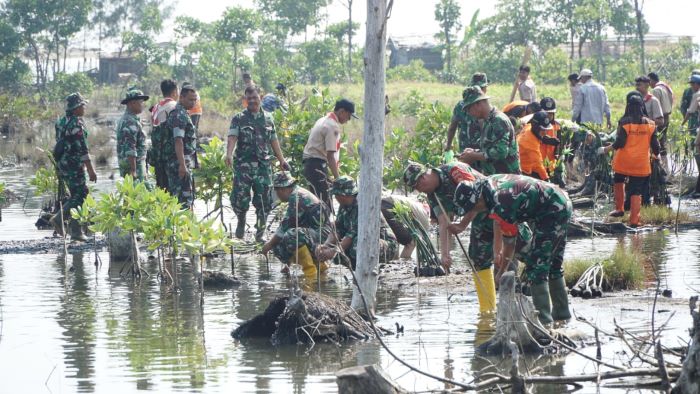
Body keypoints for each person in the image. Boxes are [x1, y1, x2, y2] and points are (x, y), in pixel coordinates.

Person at [451, 174, 573, 324]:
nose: (475, 211)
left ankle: (544, 323)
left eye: (473, 207)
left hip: (554, 209)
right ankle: (563, 317)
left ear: (479, 199)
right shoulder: (488, 185)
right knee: (553, 264)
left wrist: (501, 272)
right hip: (558, 200)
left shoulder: (502, 202)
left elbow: (510, 243)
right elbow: (498, 225)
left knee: (537, 267)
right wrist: (497, 253)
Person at [226, 86, 290, 241]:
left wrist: (282, 160)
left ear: (260, 97)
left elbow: (273, 140)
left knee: (264, 201)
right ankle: (241, 220)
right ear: (245, 100)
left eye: (255, 97)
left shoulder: (268, 118)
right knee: (239, 199)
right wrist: (228, 154)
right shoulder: (239, 118)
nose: (252, 100)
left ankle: (260, 233)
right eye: (249, 98)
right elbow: (232, 137)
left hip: (263, 167)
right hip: (243, 166)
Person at [403, 161, 483, 274]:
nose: (420, 191)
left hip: (493, 205)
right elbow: (444, 221)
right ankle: (493, 289)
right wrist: (445, 255)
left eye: (417, 186)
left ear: (423, 177)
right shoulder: (432, 194)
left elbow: (479, 198)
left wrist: (462, 225)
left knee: (504, 249)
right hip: (475, 212)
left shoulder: (454, 172)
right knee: (479, 255)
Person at [600, 92, 660, 227]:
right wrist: (657, 155)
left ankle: (620, 209)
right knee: (636, 190)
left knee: (618, 179)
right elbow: (655, 146)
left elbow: (620, 143)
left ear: (628, 106)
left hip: (623, 161)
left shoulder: (624, 122)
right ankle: (634, 220)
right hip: (641, 163)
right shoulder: (651, 124)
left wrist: (605, 149)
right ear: (642, 106)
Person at [315, 176, 398, 268]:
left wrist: (333, 251)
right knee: (340, 249)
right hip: (359, 240)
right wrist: (326, 245)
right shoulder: (344, 206)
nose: (336, 197)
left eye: (336, 195)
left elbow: (351, 236)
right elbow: (338, 229)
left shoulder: (363, 206)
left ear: (343, 195)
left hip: (384, 245)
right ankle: (358, 270)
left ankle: (367, 271)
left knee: (358, 243)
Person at [261, 171, 331, 276]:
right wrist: (287, 264)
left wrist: (268, 245)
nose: (277, 194)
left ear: (282, 189)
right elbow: (293, 224)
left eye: (276, 191)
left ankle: (311, 274)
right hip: (317, 235)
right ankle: (320, 268)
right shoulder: (299, 192)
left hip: (323, 235)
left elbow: (285, 227)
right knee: (282, 242)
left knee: (291, 235)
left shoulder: (297, 197)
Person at [50, 92, 97, 241]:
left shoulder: (61, 122)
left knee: (76, 194)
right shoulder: (77, 124)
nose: (84, 108)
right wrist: (91, 170)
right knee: (81, 194)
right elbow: (83, 149)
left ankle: (76, 230)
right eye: (82, 105)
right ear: (76, 107)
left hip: (62, 165)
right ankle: (62, 221)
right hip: (74, 165)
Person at [302, 98, 358, 209]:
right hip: (316, 165)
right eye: (349, 115)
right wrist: (338, 180)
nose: (348, 120)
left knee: (316, 202)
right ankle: (325, 225)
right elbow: (330, 156)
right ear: (342, 111)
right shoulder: (332, 126)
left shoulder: (323, 120)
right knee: (325, 204)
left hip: (310, 165)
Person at [457, 86, 521, 176]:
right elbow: (490, 147)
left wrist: (474, 156)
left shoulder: (498, 120)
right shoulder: (488, 121)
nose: (469, 113)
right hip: (496, 177)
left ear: (478, 104)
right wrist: (474, 152)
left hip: (507, 179)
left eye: (469, 109)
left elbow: (501, 152)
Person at [164, 84, 198, 209]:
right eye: (190, 99)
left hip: (181, 162)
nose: (193, 102)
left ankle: (184, 227)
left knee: (183, 197)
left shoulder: (182, 113)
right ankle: (183, 227)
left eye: (195, 100)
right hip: (178, 164)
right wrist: (182, 165)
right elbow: (178, 140)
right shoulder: (179, 115)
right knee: (182, 199)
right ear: (181, 97)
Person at [445, 73, 489, 158]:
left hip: (469, 150)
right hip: (479, 151)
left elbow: (452, 127)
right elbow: (453, 127)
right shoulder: (484, 108)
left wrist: (448, 145)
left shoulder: (460, 105)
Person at [149, 79, 178, 190]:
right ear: (175, 91)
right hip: (170, 156)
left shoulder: (155, 107)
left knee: (162, 189)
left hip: (157, 155)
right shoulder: (174, 106)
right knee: (173, 190)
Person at [380, 195, 430, 259]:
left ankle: (395, 260)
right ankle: (404, 260)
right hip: (389, 207)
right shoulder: (426, 218)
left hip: (383, 204)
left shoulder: (417, 206)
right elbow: (418, 239)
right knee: (411, 243)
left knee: (396, 237)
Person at [116, 88, 149, 183]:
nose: (143, 104)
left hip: (131, 165)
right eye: (141, 102)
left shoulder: (127, 119)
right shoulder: (130, 121)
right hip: (135, 166)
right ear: (133, 103)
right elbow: (130, 148)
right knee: (140, 194)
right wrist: (133, 170)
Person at [517, 111, 555, 182]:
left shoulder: (529, 127)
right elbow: (538, 165)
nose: (545, 133)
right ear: (535, 126)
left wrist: (544, 139)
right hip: (522, 171)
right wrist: (547, 180)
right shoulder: (530, 143)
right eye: (543, 130)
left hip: (527, 166)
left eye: (546, 130)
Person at [681, 75, 700, 197]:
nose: (692, 86)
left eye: (693, 84)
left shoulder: (696, 95)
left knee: (696, 147)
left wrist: (682, 124)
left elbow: (690, 111)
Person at [540, 97, 565, 187]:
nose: (549, 115)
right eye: (547, 113)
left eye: (551, 113)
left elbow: (559, 142)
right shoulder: (536, 124)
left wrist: (558, 153)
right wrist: (547, 140)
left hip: (551, 161)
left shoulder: (557, 126)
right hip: (539, 160)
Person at [648, 72, 673, 156]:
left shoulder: (656, 90)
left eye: (649, 81)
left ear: (652, 80)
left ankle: (660, 161)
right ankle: (664, 159)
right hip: (667, 115)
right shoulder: (665, 87)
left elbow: (656, 106)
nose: (648, 84)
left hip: (659, 118)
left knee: (658, 139)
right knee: (663, 138)